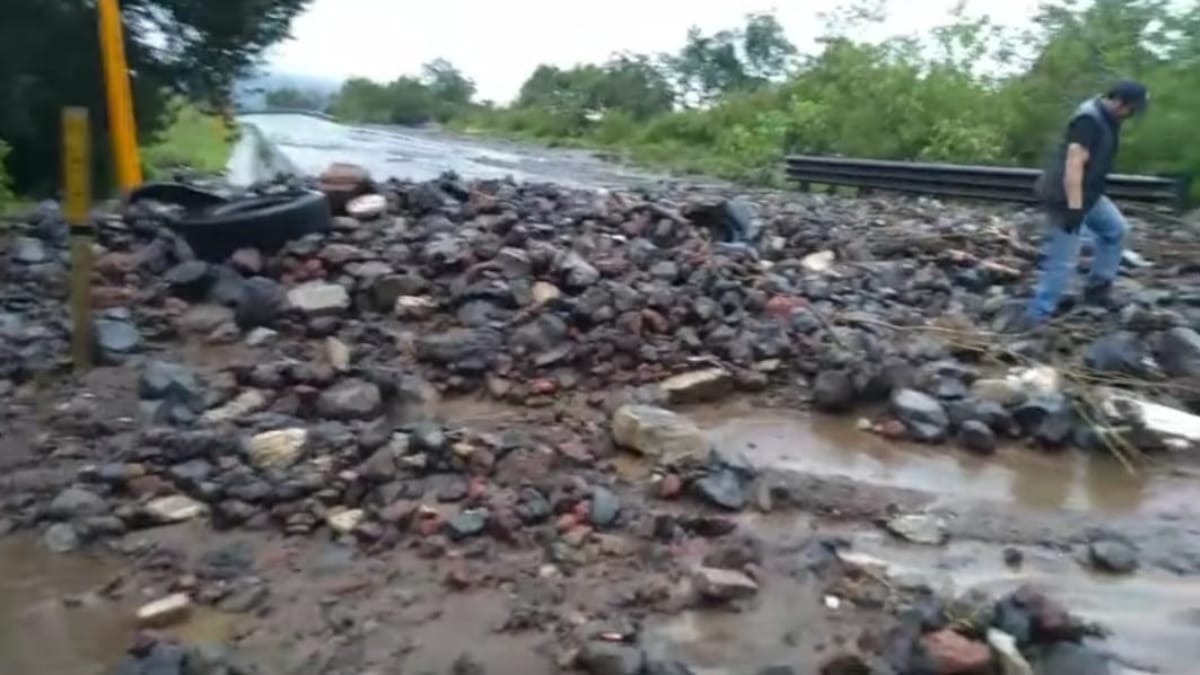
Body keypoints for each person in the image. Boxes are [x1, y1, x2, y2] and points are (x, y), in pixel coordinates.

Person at [1024, 80, 1150, 325]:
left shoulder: (1110, 118)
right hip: (1065, 195)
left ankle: (1097, 290)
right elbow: (1073, 166)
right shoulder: (1088, 120)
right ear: (1118, 101)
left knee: (1116, 230)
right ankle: (1037, 315)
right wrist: (1074, 208)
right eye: (1131, 109)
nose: (1131, 114)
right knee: (1064, 259)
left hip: (1089, 195)